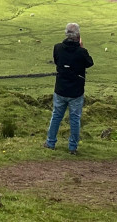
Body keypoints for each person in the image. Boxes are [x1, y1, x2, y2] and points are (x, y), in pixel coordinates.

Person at [44, 22, 94, 155]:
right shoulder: (81, 52)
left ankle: (50, 142)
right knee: (75, 119)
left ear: (66, 34)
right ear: (78, 36)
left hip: (60, 89)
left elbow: (57, 61)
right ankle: (72, 147)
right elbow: (89, 63)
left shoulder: (58, 48)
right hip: (76, 91)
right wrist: (81, 47)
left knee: (56, 116)